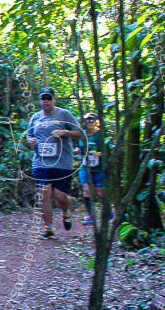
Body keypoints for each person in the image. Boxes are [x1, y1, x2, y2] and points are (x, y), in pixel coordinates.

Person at [25, 87, 83, 238]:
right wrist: (30, 140)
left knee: (60, 197)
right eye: (43, 98)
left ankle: (66, 212)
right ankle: (49, 227)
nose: (46, 101)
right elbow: (29, 134)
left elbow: (79, 133)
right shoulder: (35, 117)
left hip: (62, 162)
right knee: (44, 193)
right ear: (40, 100)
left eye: (49, 98)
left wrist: (64, 132)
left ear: (54, 100)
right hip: (41, 162)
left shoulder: (64, 114)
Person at [77, 112, 113, 225]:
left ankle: (109, 212)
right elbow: (79, 147)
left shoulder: (99, 135)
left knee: (99, 192)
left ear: (96, 121)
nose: (89, 122)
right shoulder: (82, 135)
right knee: (86, 191)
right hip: (85, 167)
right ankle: (90, 216)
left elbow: (106, 151)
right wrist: (76, 150)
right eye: (87, 120)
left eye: (91, 120)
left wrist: (97, 153)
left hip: (98, 168)